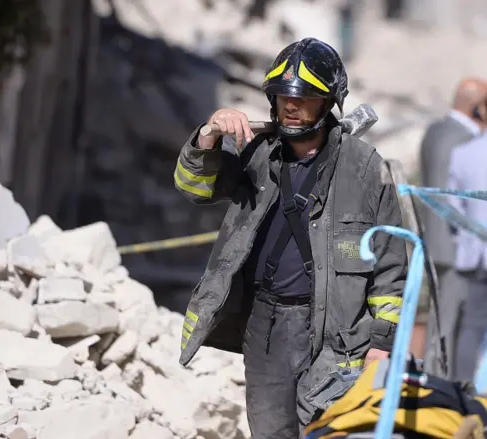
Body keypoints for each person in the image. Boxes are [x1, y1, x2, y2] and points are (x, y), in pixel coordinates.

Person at [173, 37, 408, 439]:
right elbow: (194, 186)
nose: (291, 106)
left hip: (337, 336)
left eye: (306, 98)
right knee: (270, 431)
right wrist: (208, 135)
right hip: (265, 329)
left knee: (326, 432)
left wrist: (382, 345)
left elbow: (390, 267)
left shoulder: (364, 167)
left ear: (329, 102)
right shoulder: (258, 154)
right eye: (283, 97)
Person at [420, 78, 487, 378]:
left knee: (441, 321)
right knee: (453, 324)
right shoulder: (464, 140)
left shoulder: (436, 131)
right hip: (458, 245)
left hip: (436, 241)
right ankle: (442, 386)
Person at [448, 126, 487, 382]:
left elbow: (452, 206)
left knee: (471, 326)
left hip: (477, 255)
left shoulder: (464, 153)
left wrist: (466, 238)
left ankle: (464, 391)